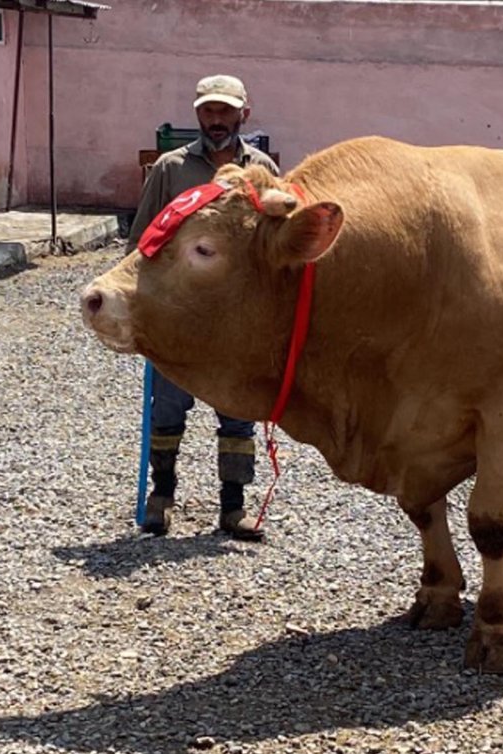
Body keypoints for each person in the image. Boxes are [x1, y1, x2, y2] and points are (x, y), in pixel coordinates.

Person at [126, 74, 279, 542]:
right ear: (198, 114)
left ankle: (233, 509)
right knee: (168, 407)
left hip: (237, 318)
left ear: (243, 114)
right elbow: (141, 242)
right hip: (180, 314)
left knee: (238, 410)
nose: (216, 121)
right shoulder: (170, 170)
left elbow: (274, 245)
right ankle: (161, 498)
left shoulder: (262, 170)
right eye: (209, 111)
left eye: (225, 112)